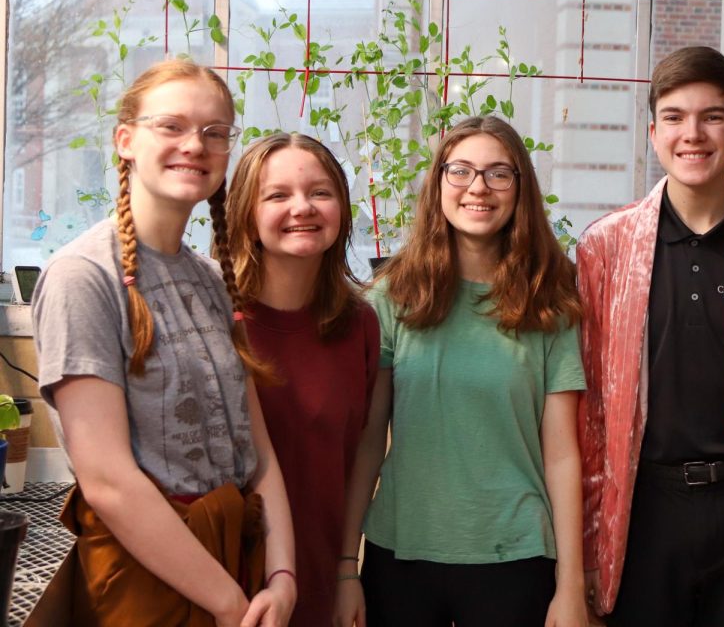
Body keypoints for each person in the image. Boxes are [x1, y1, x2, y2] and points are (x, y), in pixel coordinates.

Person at [31, 58, 296, 627]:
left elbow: (259, 454)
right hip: (152, 573)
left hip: (238, 562)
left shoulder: (211, 280)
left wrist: (281, 576)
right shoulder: (83, 276)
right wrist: (226, 604)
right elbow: (108, 481)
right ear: (125, 140)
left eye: (214, 132)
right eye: (171, 126)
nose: (194, 145)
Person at [335, 116, 589, 627]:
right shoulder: (392, 298)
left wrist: (571, 586)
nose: (479, 187)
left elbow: (562, 454)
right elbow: (368, 441)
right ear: (438, 183)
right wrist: (345, 568)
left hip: (516, 556)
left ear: (521, 190)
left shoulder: (549, 303)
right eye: (461, 171)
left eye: (499, 173)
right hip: (402, 553)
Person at [577, 46, 724, 626]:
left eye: (713, 116)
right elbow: (590, 410)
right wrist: (587, 538)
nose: (692, 134)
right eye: (674, 117)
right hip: (644, 509)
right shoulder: (605, 247)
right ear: (653, 132)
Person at [225, 133, 380, 627]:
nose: (303, 208)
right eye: (277, 195)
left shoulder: (359, 324)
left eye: (320, 192)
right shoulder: (218, 320)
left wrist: (344, 570)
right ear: (246, 216)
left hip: (319, 581)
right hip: (228, 584)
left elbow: (357, 460)